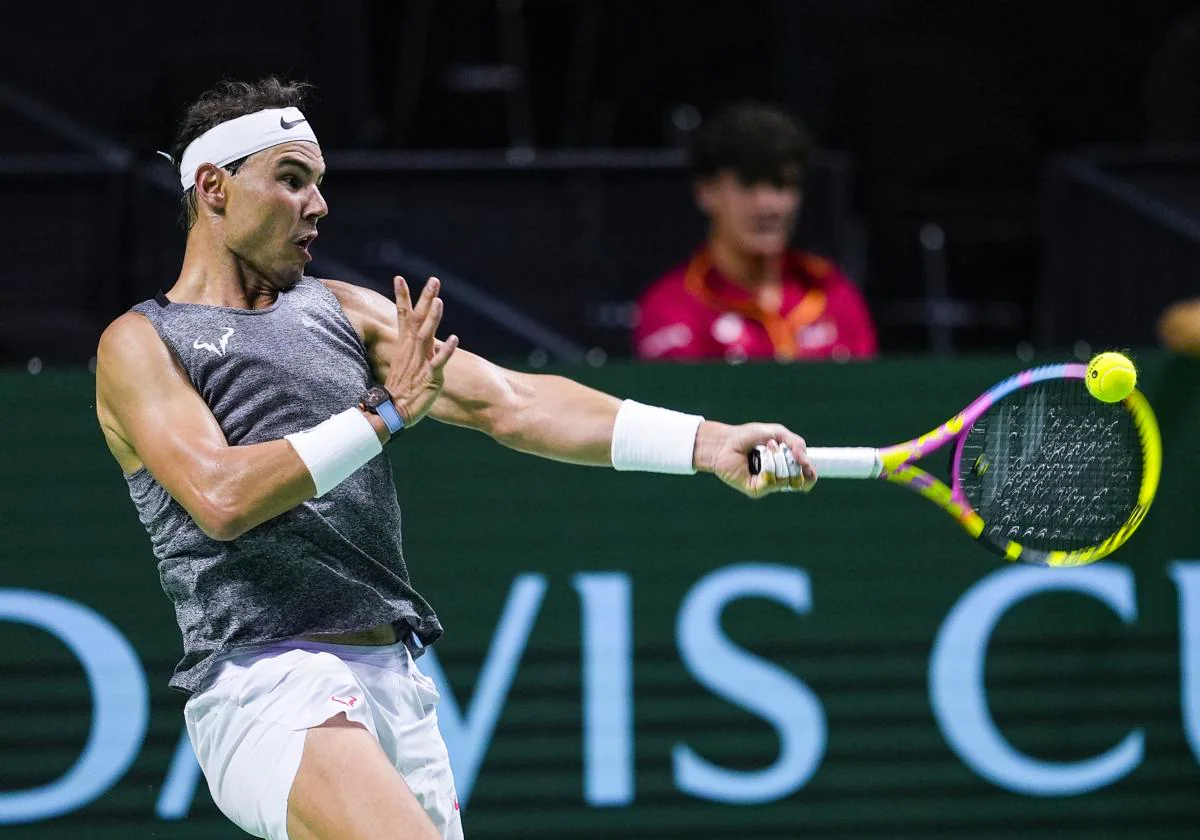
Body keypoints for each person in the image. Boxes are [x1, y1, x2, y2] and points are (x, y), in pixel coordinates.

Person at [94, 78, 817, 840]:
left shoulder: (342, 310)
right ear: (214, 188)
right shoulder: (142, 344)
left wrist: (705, 442)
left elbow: (518, 403)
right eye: (292, 180)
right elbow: (221, 497)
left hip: (392, 679)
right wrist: (383, 414)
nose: (318, 206)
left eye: (320, 184)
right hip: (263, 678)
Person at [634, 101, 877, 362]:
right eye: (747, 184)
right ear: (705, 192)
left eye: (781, 184)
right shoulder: (672, 307)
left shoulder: (834, 294)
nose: (767, 205)